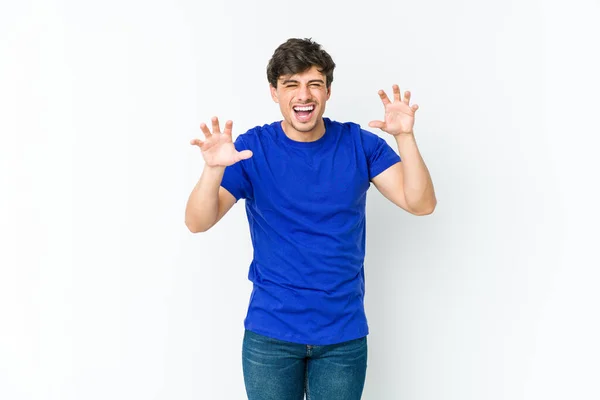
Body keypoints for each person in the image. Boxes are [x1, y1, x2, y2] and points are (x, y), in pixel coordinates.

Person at [185, 38, 436, 400]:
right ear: (275, 92)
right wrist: (211, 171)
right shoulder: (252, 149)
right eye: (291, 84)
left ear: (328, 91)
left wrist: (406, 137)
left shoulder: (358, 144)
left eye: (314, 83)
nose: (304, 95)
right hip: (271, 334)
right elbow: (197, 222)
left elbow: (421, 203)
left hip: (342, 335)